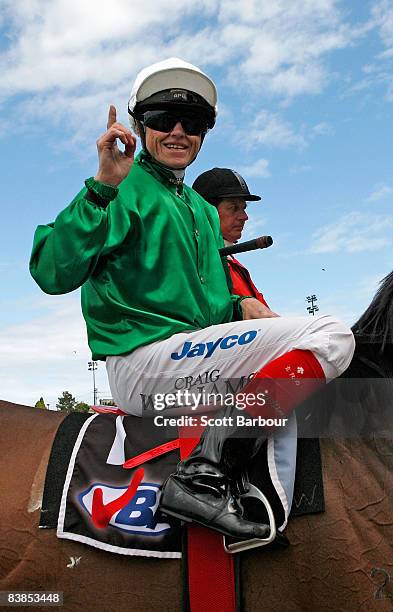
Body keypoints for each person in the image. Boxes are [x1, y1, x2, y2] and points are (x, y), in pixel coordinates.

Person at [29, 57, 355, 541]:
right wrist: (101, 188)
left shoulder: (202, 209)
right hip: (142, 366)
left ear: (205, 133)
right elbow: (51, 274)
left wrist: (240, 308)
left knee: (302, 372)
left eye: (194, 123)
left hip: (190, 363)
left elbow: (205, 309)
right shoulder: (121, 188)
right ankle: (205, 475)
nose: (178, 131)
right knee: (332, 334)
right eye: (163, 120)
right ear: (140, 127)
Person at [192, 167, 275, 312]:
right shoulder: (192, 260)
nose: (244, 216)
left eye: (243, 208)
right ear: (206, 211)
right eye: (233, 208)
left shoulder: (233, 263)